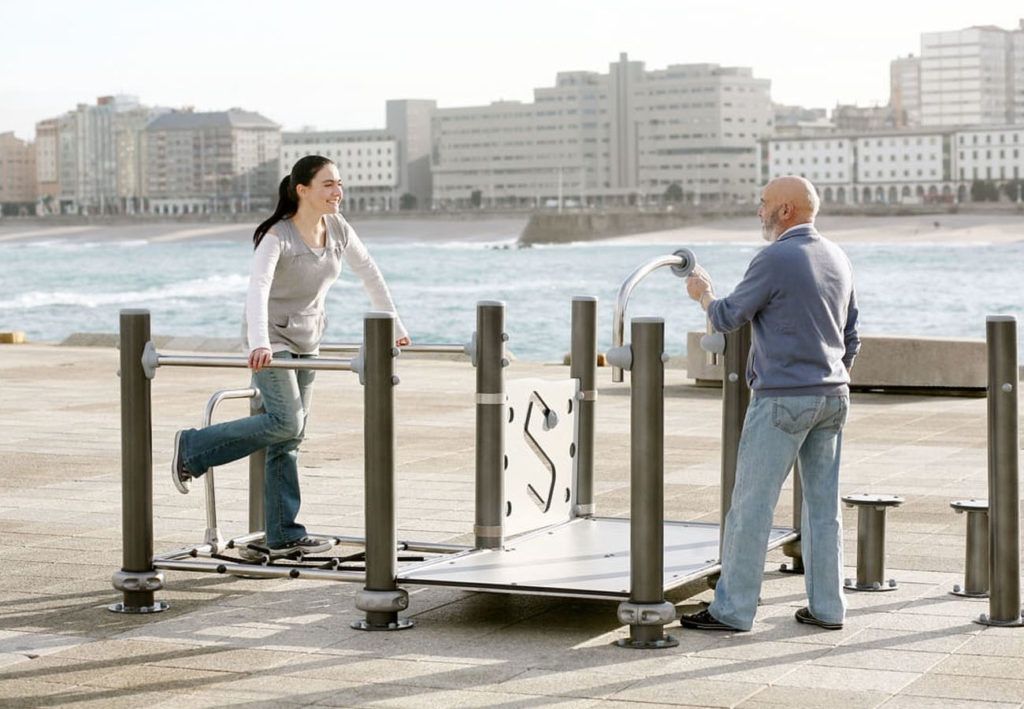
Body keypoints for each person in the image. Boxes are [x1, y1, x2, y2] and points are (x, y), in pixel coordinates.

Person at [170, 155, 410, 557]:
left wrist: (396, 326)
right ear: (302, 190)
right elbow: (258, 288)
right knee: (286, 420)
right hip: (273, 338)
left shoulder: (338, 227)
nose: (338, 192)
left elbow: (370, 272)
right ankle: (193, 448)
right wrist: (259, 342)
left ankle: (283, 532)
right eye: (328, 185)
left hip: (308, 336)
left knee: (291, 435)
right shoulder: (277, 236)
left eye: (339, 184)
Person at [681, 175, 860, 632]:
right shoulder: (838, 257)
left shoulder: (775, 258)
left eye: (764, 204)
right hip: (833, 395)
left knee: (751, 506)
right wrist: (831, 374)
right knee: (823, 509)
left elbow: (727, 316)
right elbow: (851, 335)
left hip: (783, 398)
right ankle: (828, 608)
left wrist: (703, 293)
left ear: (786, 211)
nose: (758, 211)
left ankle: (732, 611)